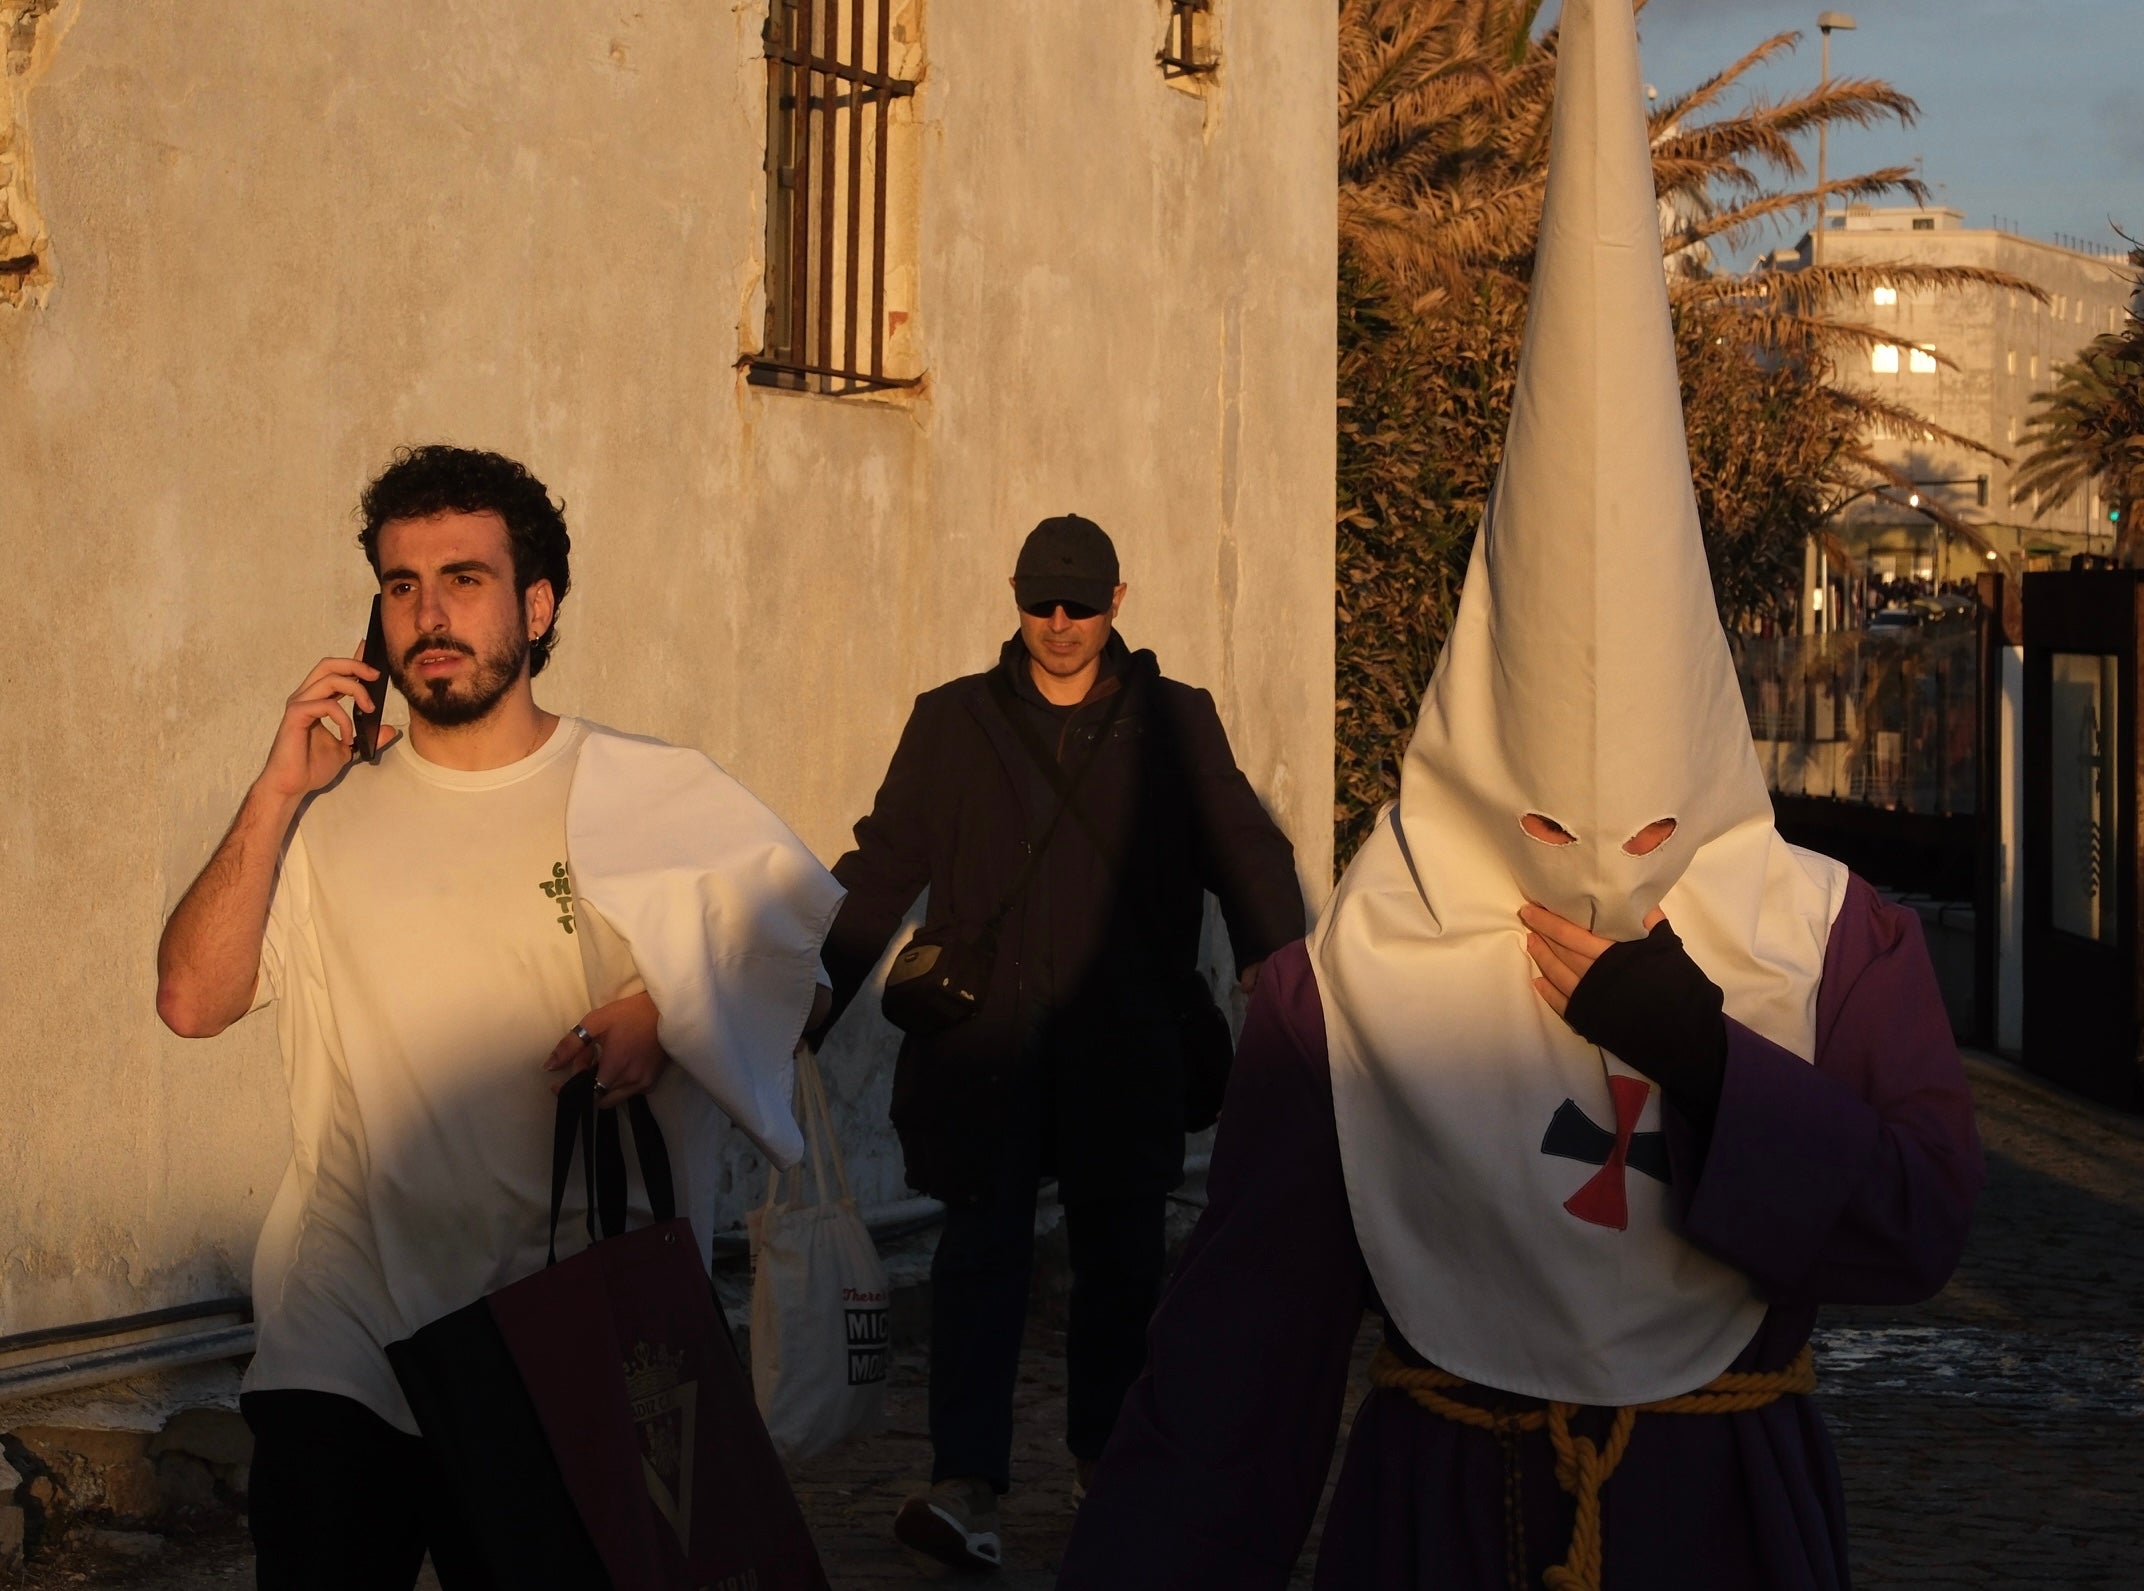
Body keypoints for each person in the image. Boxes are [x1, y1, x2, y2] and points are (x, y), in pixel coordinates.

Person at [1058, 4, 1981, 1587]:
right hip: (1445, 1522)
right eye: (1546, 828)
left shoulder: (1833, 947)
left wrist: (1706, 1056)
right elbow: (1237, 1370)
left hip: (1722, 1525)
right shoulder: (1344, 989)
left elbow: (1913, 1224)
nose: (1601, 870)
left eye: (1646, 829)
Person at [153, 445, 843, 1590]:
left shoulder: (648, 790)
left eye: (462, 580)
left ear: (536, 603)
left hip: (558, 1339)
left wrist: (661, 1012)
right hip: (346, 1335)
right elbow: (190, 999)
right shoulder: (323, 817)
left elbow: (799, 986)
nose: (429, 613)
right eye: (401, 584)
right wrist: (277, 789)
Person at [810, 511, 1306, 1572]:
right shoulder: (952, 722)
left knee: (1121, 1268)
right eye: (1042, 602)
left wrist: (1285, 967)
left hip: (1124, 1047)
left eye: (1081, 604)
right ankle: (966, 1486)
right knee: (978, 1259)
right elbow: (882, 863)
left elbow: (1244, 845)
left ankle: (1109, 1469)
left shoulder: (1174, 721)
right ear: (1017, 596)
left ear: (1117, 603)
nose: (1062, 623)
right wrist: (810, 990)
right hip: (982, 1046)